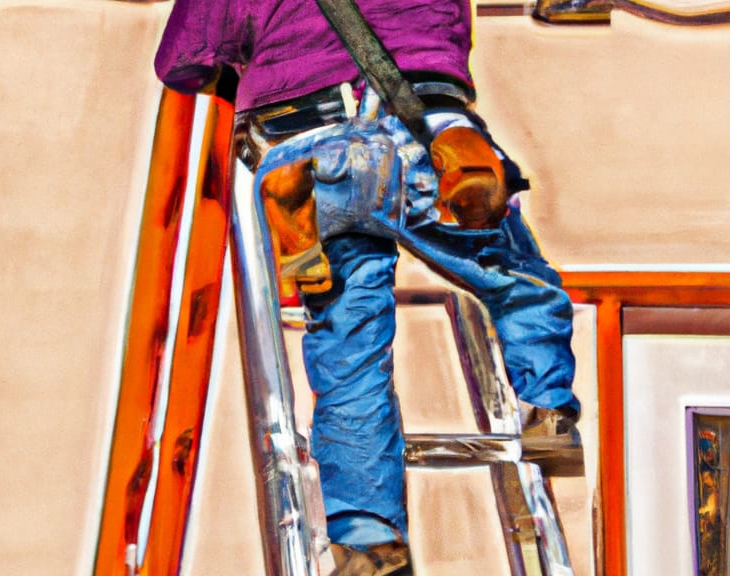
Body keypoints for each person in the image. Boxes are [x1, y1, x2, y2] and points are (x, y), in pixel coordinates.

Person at [156, 2, 580, 575]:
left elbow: (179, 61)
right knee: (514, 279)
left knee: (348, 353)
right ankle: (549, 408)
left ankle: (369, 539)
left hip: (300, 138)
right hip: (417, 131)